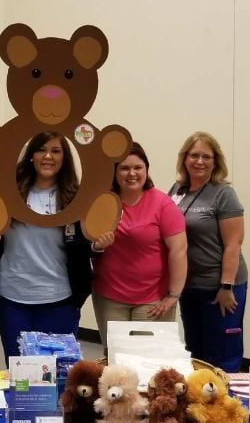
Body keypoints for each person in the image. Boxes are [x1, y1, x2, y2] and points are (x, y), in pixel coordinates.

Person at [0, 131, 99, 364]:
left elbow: (84, 244)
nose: (48, 156)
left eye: (56, 151)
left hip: (59, 299)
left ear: (64, 158)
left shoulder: (76, 198)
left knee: (59, 372)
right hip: (13, 297)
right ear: (31, 156)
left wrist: (98, 245)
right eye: (41, 150)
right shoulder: (9, 191)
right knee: (21, 375)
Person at [92, 142, 188, 351]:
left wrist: (174, 295)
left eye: (138, 167)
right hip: (110, 297)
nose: (132, 173)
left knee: (147, 359)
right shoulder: (103, 201)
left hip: (152, 300)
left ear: (146, 169)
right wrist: (97, 245)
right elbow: (88, 240)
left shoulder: (162, 204)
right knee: (115, 360)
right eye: (125, 168)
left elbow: (179, 250)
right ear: (114, 172)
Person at [169, 131, 248, 372]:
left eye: (206, 156)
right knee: (195, 350)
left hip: (219, 288)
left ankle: (224, 406)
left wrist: (226, 286)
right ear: (185, 158)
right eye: (194, 155)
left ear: (215, 161)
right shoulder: (177, 190)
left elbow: (234, 244)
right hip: (189, 286)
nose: (199, 161)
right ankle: (198, 407)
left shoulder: (223, 193)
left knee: (222, 353)